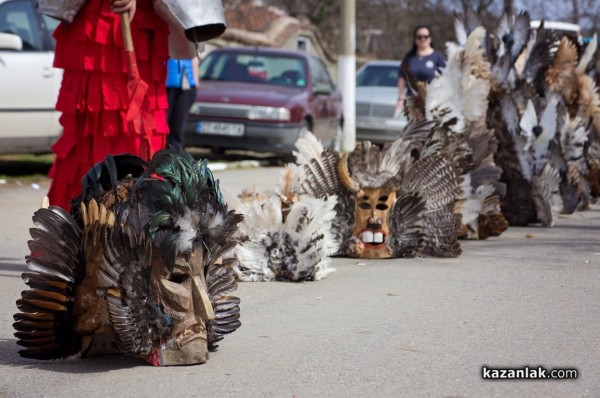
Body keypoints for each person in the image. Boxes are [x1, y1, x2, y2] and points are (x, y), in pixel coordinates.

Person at [46, 0, 171, 211]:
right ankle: (78, 232)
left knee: (139, 141)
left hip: (141, 30)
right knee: (85, 140)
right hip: (93, 31)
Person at [396, 25, 446, 111]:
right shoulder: (410, 57)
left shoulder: (437, 56)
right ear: (415, 39)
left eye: (426, 37)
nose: (423, 39)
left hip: (432, 101)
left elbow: (446, 77)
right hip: (413, 102)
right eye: (419, 37)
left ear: (430, 38)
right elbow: (401, 77)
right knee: (414, 124)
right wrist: (401, 97)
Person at [166, 57, 199, 149]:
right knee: (164, 125)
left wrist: (196, 81)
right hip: (165, 83)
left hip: (186, 84)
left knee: (178, 127)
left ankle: (175, 158)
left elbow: (193, 55)